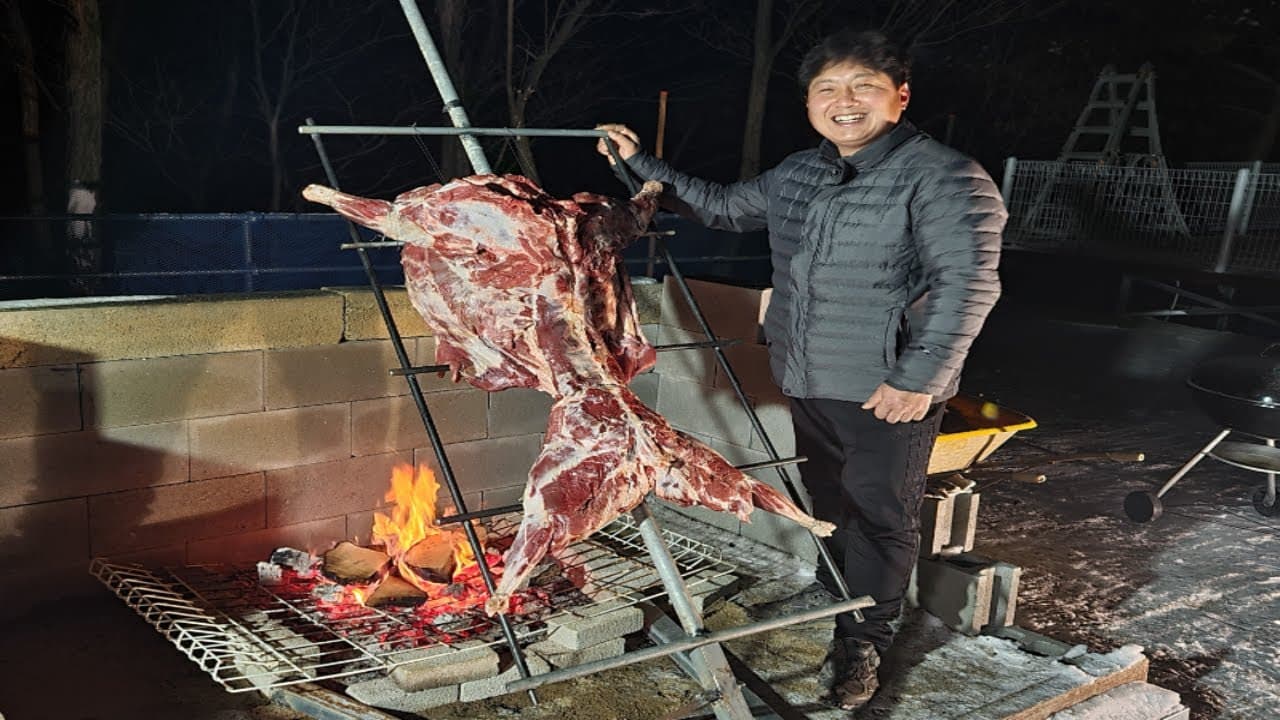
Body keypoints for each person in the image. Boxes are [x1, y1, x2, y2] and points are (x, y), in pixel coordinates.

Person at [596, 29, 1005, 710]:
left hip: (887, 387)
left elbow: (968, 285)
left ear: (900, 97)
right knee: (828, 503)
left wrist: (919, 378)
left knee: (880, 517)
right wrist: (639, 164)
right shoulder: (800, 172)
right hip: (808, 376)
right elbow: (722, 207)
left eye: (864, 86)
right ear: (811, 102)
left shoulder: (945, 177)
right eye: (828, 89)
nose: (845, 101)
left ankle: (864, 643)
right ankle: (840, 599)